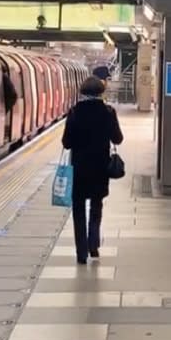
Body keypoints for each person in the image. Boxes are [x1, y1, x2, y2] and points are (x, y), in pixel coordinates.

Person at [62, 75, 123, 265]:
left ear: (83, 91)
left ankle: (81, 252)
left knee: (78, 209)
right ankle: (93, 244)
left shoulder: (74, 112)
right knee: (96, 206)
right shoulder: (108, 112)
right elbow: (118, 139)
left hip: (79, 168)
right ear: (101, 91)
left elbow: (67, 142)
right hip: (100, 167)